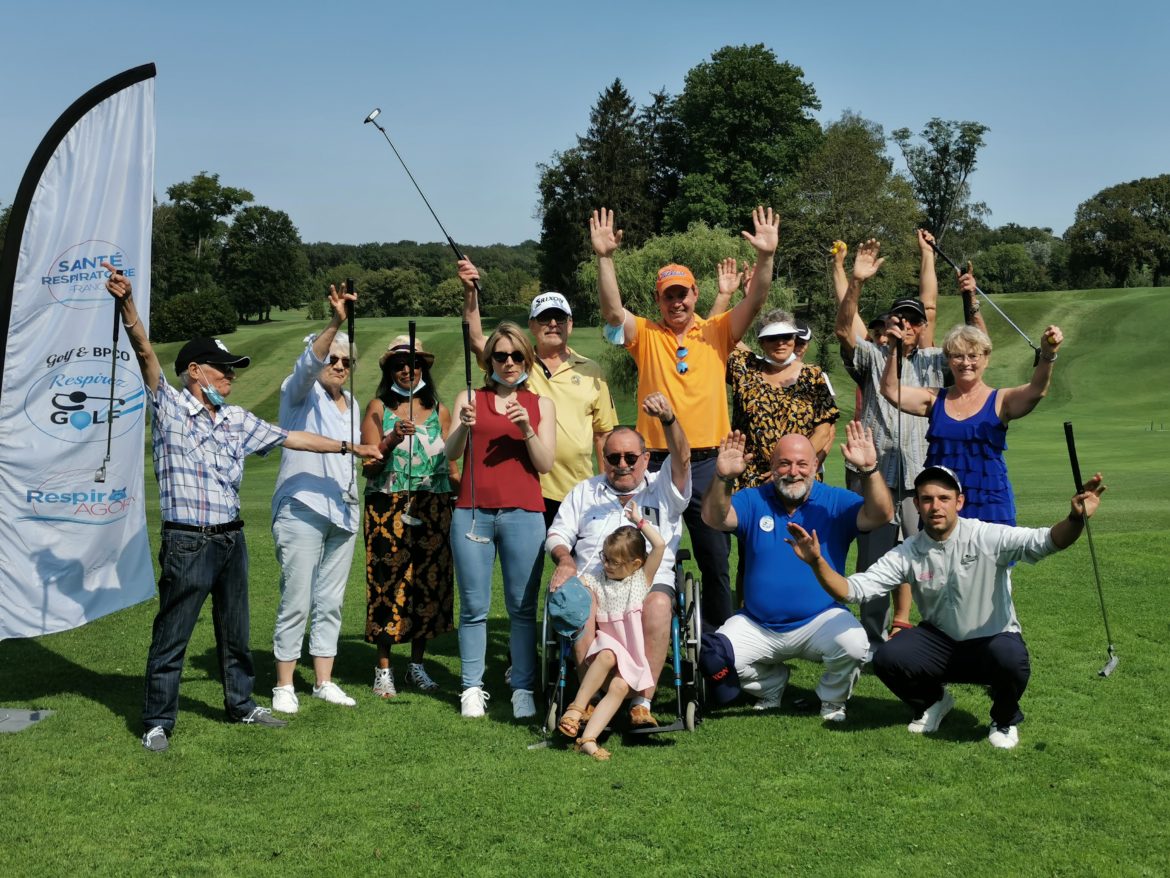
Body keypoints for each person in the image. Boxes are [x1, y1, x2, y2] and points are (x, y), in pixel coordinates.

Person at [102, 264, 381, 752]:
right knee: (173, 635)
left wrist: (349, 449)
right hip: (187, 539)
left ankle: (242, 705)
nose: (231, 376)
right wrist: (126, 304)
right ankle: (157, 722)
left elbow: (292, 435)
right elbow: (145, 352)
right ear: (194, 372)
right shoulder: (168, 406)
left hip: (231, 537)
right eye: (223, 369)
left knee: (236, 632)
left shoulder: (235, 419)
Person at [786, 465, 1107, 750]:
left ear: (959, 502)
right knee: (887, 656)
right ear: (917, 505)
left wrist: (1075, 519)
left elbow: (1047, 541)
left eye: (943, 498)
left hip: (992, 638)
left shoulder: (985, 535)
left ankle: (1004, 718)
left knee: (1011, 659)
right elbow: (853, 591)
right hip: (940, 642)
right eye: (926, 499)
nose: (935, 506)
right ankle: (934, 701)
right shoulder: (910, 551)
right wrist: (817, 562)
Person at [590, 205, 779, 630]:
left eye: (684, 293)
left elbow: (758, 298)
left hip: (708, 465)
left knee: (714, 560)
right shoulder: (645, 335)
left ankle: (718, 649)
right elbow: (611, 313)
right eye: (668, 295)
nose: (677, 301)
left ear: (696, 295)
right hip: (653, 465)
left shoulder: (717, 331)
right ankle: (646, 635)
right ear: (659, 300)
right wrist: (605, 257)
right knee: (648, 558)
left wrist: (766, 257)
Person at [834, 232, 986, 648]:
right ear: (890, 325)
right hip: (874, 476)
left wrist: (971, 301)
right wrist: (856, 281)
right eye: (900, 319)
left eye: (914, 321)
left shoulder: (939, 360)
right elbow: (844, 329)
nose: (907, 326)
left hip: (923, 480)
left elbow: (978, 346)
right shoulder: (873, 356)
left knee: (935, 558)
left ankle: (946, 633)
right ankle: (870, 643)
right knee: (876, 564)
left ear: (922, 327)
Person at [700, 424, 893, 720]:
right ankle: (771, 685)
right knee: (715, 657)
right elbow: (715, 518)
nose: (794, 471)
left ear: (816, 465)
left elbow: (881, 514)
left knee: (855, 644)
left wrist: (868, 470)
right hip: (757, 623)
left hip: (820, 619)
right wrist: (723, 478)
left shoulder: (835, 501)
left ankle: (832, 699)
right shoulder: (754, 499)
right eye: (785, 463)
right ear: (772, 467)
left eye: (803, 464)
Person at [546, 393, 690, 728]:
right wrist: (565, 560)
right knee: (578, 602)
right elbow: (557, 534)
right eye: (613, 457)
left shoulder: (663, 488)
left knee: (656, 604)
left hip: (649, 581)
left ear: (645, 458)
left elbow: (682, 459)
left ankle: (642, 702)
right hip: (596, 579)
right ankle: (591, 699)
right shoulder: (585, 492)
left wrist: (668, 419)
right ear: (604, 459)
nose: (622, 464)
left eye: (630, 456)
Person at [446, 322, 556, 719]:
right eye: (500, 356)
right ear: (488, 359)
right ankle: (471, 688)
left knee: (522, 608)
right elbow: (451, 454)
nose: (508, 363)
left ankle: (523, 687)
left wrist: (526, 429)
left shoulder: (541, 404)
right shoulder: (470, 397)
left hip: (524, 513)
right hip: (472, 512)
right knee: (473, 607)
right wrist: (465, 427)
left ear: (527, 358)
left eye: (515, 356)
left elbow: (544, 463)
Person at [881, 288, 1065, 524]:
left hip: (990, 503)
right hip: (942, 508)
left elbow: (1037, 390)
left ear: (986, 358)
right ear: (948, 360)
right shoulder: (934, 399)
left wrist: (1048, 355)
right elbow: (890, 390)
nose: (965, 362)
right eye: (957, 356)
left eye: (973, 355)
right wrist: (894, 348)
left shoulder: (1001, 400)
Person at [270, 285, 370, 713]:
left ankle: (324, 680)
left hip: (344, 511)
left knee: (331, 600)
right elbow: (308, 364)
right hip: (303, 507)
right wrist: (335, 322)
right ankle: (284, 684)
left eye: (347, 362)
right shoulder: (299, 392)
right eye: (334, 359)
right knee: (297, 596)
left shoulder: (353, 403)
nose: (340, 366)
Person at [459, 261, 618, 527]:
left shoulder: (591, 370)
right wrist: (470, 293)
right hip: (526, 486)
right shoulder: (515, 363)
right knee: (528, 567)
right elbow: (475, 339)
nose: (553, 324)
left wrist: (607, 487)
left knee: (577, 565)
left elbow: (603, 435)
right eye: (545, 318)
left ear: (571, 324)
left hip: (576, 490)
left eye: (560, 318)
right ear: (532, 325)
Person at [361, 335, 457, 698]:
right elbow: (369, 467)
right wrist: (391, 441)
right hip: (388, 505)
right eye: (399, 364)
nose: (407, 369)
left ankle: (417, 666)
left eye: (414, 364)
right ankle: (383, 669)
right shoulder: (378, 407)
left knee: (427, 585)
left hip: (432, 505)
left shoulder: (439, 410)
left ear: (424, 369)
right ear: (389, 370)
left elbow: (449, 465)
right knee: (388, 583)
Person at [557, 502, 666, 760]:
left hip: (630, 658)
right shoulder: (598, 579)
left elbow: (659, 546)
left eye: (614, 562)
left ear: (635, 563)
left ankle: (588, 739)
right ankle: (576, 708)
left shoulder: (640, 581)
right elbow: (578, 586)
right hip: (604, 651)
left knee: (618, 688)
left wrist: (640, 522)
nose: (606, 565)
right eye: (604, 558)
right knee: (607, 653)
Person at [726, 308, 838, 488]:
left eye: (786, 337)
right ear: (761, 342)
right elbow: (719, 336)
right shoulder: (744, 369)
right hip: (750, 480)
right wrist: (752, 302)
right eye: (772, 338)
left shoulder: (812, 375)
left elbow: (823, 431)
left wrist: (786, 467)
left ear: (794, 340)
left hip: (797, 478)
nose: (781, 343)